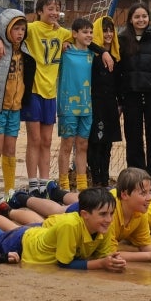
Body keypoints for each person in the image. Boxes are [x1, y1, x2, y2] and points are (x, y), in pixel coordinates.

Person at [0, 186, 125, 272]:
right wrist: (101, 264)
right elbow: (65, 263)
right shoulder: (71, 226)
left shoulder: (103, 226)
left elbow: (104, 256)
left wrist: (112, 260)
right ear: (85, 215)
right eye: (103, 214)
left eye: (111, 214)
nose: (109, 219)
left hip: (33, 233)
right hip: (22, 243)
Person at [116, 3, 151, 189]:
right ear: (131, 19)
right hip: (130, 97)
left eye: (144, 16)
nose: (141, 20)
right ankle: (135, 183)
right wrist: (119, 100)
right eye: (137, 17)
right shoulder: (122, 40)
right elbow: (118, 73)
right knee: (133, 141)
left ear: (149, 18)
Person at [0, 9, 34, 203]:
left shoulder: (25, 50)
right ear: (5, 29)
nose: (20, 33)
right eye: (15, 29)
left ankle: (10, 190)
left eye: (22, 29)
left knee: (10, 150)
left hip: (15, 108)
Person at [23, 0, 71, 187]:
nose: (53, 12)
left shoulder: (61, 33)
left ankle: (44, 182)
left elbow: (82, 36)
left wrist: (65, 39)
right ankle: (32, 183)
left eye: (56, 8)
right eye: (49, 8)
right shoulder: (32, 29)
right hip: (33, 90)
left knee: (47, 140)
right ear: (39, 11)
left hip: (51, 93)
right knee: (34, 139)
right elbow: (10, 31)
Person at [55, 17, 95, 192]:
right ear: (75, 34)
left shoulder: (92, 54)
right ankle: (63, 185)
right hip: (68, 106)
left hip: (87, 106)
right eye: (85, 32)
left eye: (91, 32)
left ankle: (82, 186)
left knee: (82, 145)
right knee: (66, 144)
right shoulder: (65, 52)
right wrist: (64, 42)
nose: (89, 35)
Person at [86, 14, 121, 188]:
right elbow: (74, 36)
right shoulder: (92, 53)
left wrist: (120, 103)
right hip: (95, 103)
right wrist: (102, 51)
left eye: (111, 30)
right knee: (95, 143)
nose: (108, 34)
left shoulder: (117, 54)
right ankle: (96, 180)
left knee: (107, 145)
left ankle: (105, 180)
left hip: (111, 104)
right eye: (104, 30)